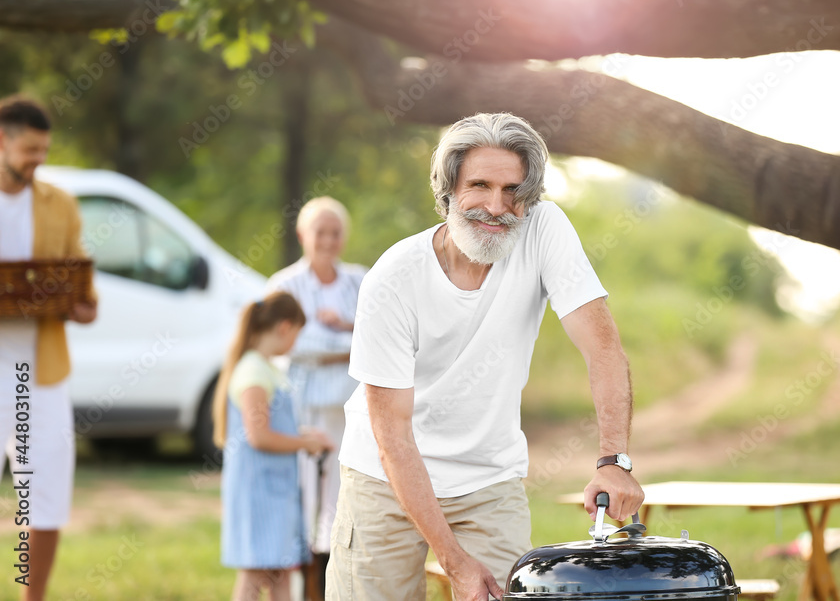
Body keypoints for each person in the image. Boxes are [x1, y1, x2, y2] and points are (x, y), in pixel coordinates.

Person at [330, 112, 644, 601]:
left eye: (513, 190)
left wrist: (614, 460)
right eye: (479, 184)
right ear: (448, 190)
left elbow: (603, 349)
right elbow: (391, 435)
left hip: (488, 478)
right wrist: (454, 562)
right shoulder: (392, 280)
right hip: (384, 477)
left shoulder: (544, 230)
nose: (496, 206)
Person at [0, 96, 97, 601]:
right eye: (30, 149)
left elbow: (83, 288)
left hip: (42, 371)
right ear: (2, 141)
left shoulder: (62, 204)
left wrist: (81, 306)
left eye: (44, 150)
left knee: (47, 496)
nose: (38, 159)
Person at [266, 196, 366, 599]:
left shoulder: (361, 280)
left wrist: (344, 327)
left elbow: (388, 334)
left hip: (350, 413)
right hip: (301, 411)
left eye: (335, 233)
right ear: (303, 235)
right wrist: (350, 342)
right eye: (319, 232)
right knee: (303, 501)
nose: (327, 241)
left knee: (343, 502)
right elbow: (291, 344)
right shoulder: (284, 284)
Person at [213, 292, 334, 601]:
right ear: (284, 327)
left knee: (282, 572)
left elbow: (275, 426)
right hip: (259, 494)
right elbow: (259, 435)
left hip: (275, 492)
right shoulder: (253, 372)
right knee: (254, 575)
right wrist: (303, 443)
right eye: (297, 334)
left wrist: (307, 436)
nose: (295, 342)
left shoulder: (266, 369)